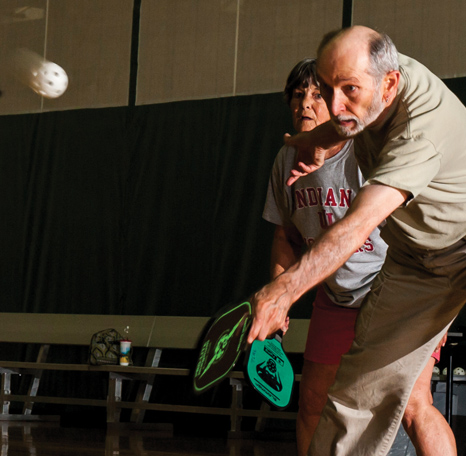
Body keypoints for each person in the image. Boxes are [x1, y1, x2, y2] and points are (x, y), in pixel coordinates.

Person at [248, 26, 466, 456]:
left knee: (416, 404)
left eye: (347, 89)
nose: (332, 104)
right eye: (326, 88)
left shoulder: (418, 132)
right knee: (352, 398)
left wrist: (284, 290)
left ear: (389, 83)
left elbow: (359, 222)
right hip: (414, 261)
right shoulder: (375, 82)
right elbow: (350, 117)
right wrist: (313, 139)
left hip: (460, 247)